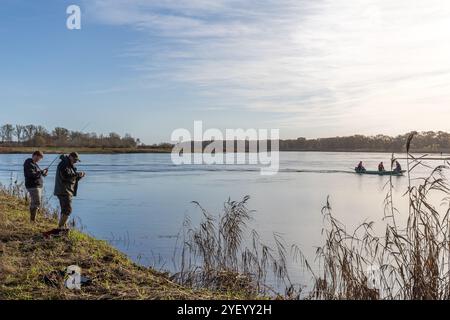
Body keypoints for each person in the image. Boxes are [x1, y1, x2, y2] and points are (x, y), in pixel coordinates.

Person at [53, 152, 86, 230]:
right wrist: (77, 174)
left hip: (66, 190)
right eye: (75, 159)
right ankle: (60, 228)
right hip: (64, 191)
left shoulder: (69, 165)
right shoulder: (64, 164)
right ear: (70, 157)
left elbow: (72, 178)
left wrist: (80, 176)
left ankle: (63, 227)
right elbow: (66, 176)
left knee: (64, 210)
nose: (76, 161)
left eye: (77, 160)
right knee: (68, 210)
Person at [23, 151, 48, 222]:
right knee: (37, 202)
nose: (38, 159)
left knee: (34, 202)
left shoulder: (35, 164)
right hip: (33, 185)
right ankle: (32, 220)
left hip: (37, 185)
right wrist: (41, 172)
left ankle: (33, 220)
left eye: (40, 158)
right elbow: (31, 174)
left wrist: (44, 173)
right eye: (38, 157)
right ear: (33, 155)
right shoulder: (28, 163)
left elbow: (37, 174)